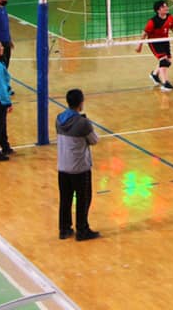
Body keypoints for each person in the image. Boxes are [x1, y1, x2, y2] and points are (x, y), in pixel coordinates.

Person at [57, 88, 101, 241]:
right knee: (83, 198)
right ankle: (82, 230)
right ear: (80, 103)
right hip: (79, 168)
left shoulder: (59, 119)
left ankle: (64, 229)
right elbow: (94, 140)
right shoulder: (83, 123)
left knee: (65, 199)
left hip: (62, 166)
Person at [135, 0, 173, 92]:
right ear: (158, 10)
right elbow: (144, 34)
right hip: (154, 42)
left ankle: (154, 74)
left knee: (168, 61)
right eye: (163, 7)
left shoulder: (170, 17)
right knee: (163, 61)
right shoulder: (152, 22)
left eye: (166, 6)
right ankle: (165, 83)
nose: (166, 8)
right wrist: (139, 46)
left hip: (165, 41)